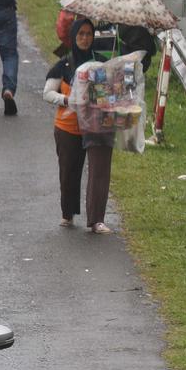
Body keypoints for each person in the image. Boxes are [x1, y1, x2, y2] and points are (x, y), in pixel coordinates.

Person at [43, 18, 114, 234]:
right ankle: (68, 213)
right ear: (74, 37)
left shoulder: (102, 63)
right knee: (69, 171)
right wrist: (67, 100)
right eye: (80, 34)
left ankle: (96, 220)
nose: (85, 38)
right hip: (68, 126)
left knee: (99, 171)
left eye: (89, 34)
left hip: (96, 127)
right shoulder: (64, 64)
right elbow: (47, 93)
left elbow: (112, 92)